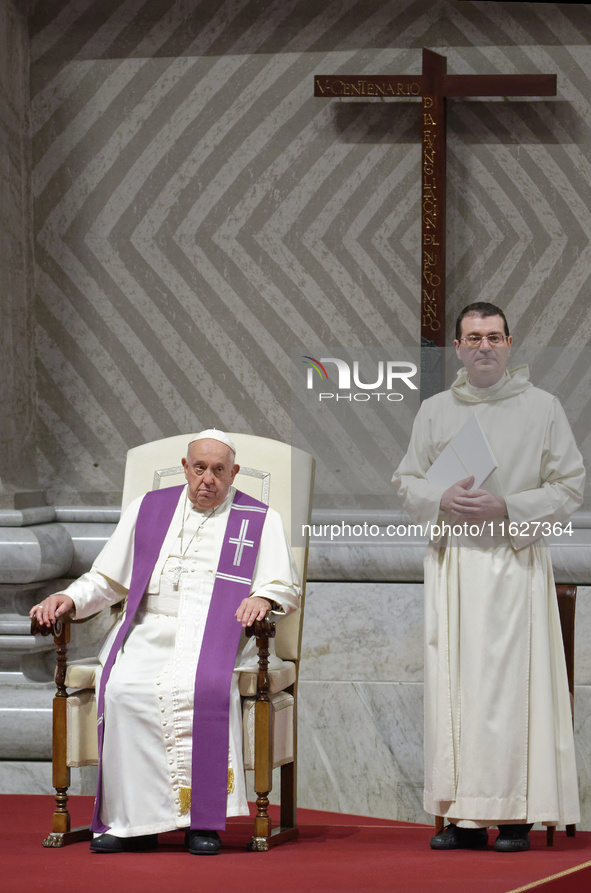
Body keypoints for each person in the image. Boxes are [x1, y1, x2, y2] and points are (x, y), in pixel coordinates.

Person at [30, 430, 300, 855]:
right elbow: (106, 579)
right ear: (184, 467)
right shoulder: (149, 509)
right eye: (199, 468)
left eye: (218, 470)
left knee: (204, 689)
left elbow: (282, 583)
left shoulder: (258, 519)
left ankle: (201, 822)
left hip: (214, 631)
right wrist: (69, 597)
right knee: (120, 689)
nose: (207, 479)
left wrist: (262, 596)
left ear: (234, 473)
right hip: (147, 629)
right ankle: (132, 823)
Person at [392, 303, 584, 853]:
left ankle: (518, 814)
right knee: (455, 689)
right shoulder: (434, 410)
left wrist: (508, 507)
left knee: (507, 691)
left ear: (509, 343)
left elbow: (570, 484)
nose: (484, 346)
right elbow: (407, 479)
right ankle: (462, 818)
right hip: (454, 565)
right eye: (473, 337)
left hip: (513, 564)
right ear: (457, 347)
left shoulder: (543, 408)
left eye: (494, 337)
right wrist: (440, 495)